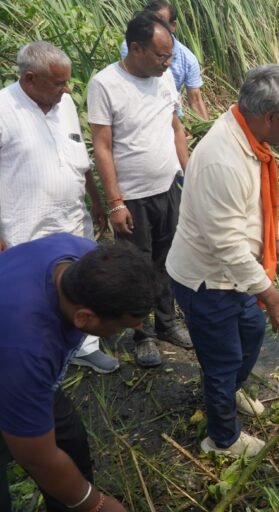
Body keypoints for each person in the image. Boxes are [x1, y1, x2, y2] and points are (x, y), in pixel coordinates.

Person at [166, 65, 279, 457]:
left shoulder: (253, 142)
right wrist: (276, 298)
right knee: (223, 357)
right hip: (209, 280)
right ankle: (222, 438)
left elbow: (256, 202)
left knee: (251, 334)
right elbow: (227, 246)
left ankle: (228, 391)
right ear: (270, 117)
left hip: (241, 274)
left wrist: (274, 236)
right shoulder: (222, 159)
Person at [0, 234, 159, 512]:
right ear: (84, 318)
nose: (136, 328)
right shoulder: (29, 348)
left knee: (69, 442)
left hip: (24, 370)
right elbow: (37, 457)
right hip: (11, 366)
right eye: (123, 327)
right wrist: (96, 504)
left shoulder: (80, 252)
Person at [0, 41, 118, 374]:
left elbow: (78, 155)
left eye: (67, 82)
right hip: (24, 224)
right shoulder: (4, 109)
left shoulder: (62, 103)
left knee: (82, 278)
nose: (67, 90)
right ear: (29, 79)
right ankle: (36, 357)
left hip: (70, 216)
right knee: (34, 294)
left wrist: (95, 199)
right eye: (58, 83)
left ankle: (84, 346)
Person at [88, 11, 192, 368]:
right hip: (132, 196)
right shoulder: (104, 84)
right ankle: (142, 334)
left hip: (168, 187)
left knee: (167, 261)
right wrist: (115, 202)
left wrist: (188, 176)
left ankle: (167, 324)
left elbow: (176, 127)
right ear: (135, 48)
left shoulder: (164, 80)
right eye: (161, 56)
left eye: (170, 56)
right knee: (136, 267)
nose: (167, 63)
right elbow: (102, 146)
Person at [120, 0, 208, 120]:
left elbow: (195, 100)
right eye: (150, 21)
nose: (154, 27)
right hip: (138, 113)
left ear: (173, 26)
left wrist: (205, 130)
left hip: (171, 116)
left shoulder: (188, 59)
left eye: (160, 22)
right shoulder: (133, 47)